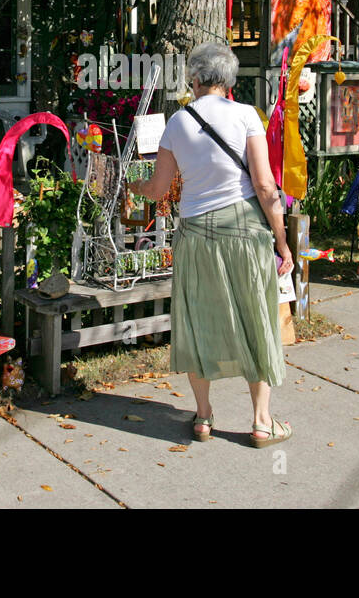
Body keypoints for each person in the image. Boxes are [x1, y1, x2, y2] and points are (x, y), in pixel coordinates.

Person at [128, 42, 295, 448]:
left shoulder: (177, 122)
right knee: (256, 318)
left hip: (195, 233)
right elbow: (264, 186)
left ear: (196, 79)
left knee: (196, 319)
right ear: (229, 80)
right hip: (244, 231)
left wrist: (131, 185)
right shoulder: (246, 117)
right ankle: (261, 422)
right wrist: (282, 240)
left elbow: (159, 189)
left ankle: (203, 417)